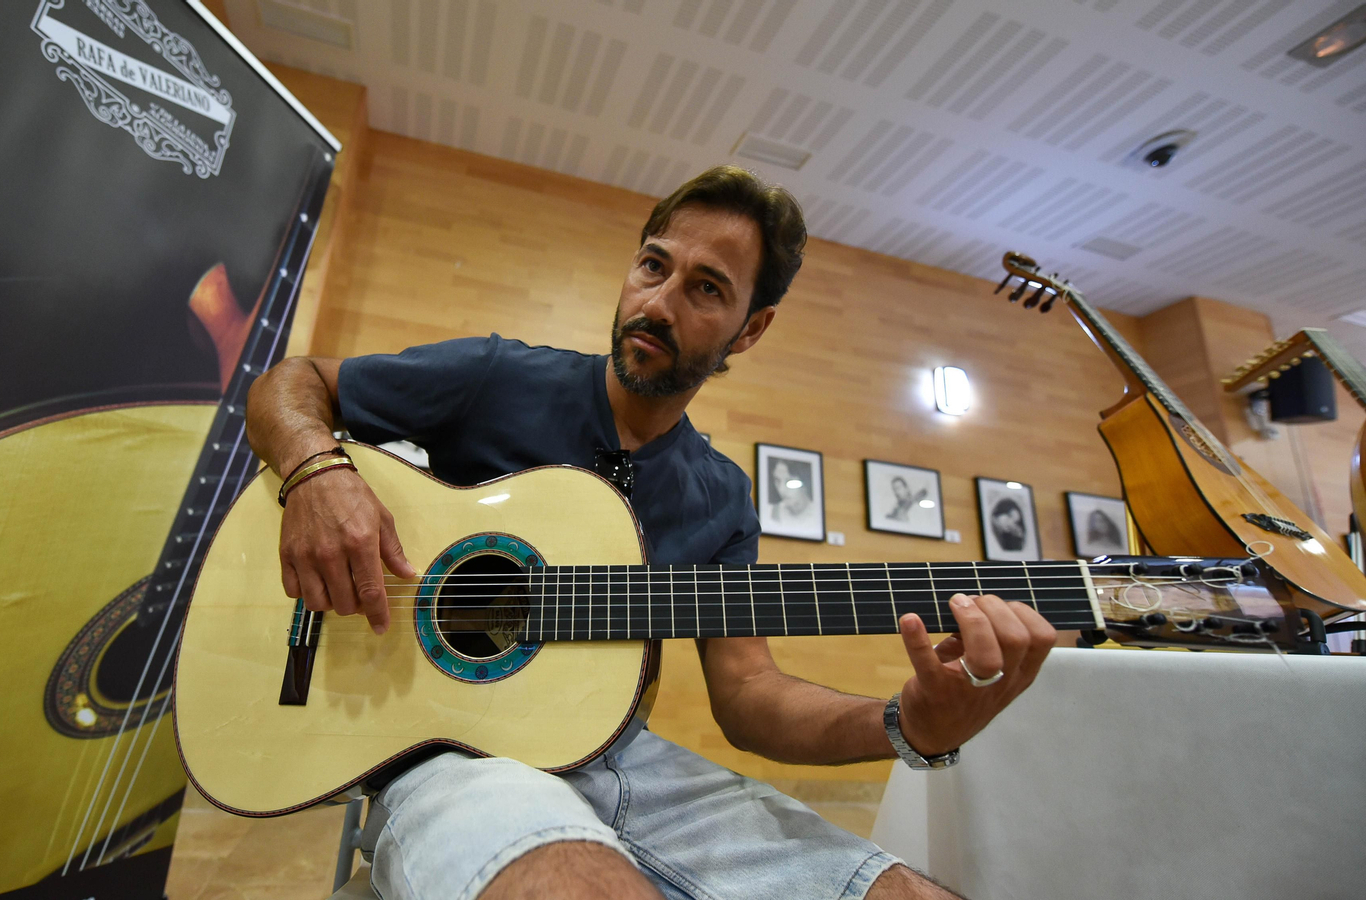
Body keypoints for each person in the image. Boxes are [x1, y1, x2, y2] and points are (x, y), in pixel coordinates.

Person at [246, 166, 1057, 900]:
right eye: (653, 266)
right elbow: (293, 382)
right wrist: (317, 471)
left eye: (706, 289)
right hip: (455, 753)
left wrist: (905, 723)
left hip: (629, 764)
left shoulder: (723, 499)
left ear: (750, 329)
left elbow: (750, 694)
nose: (659, 304)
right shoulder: (498, 378)